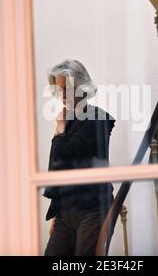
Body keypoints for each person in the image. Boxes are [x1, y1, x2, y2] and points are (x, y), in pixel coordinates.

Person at [43, 59, 115, 256]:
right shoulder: (69, 121)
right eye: (59, 90)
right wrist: (57, 214)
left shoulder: (97, 119)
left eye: (67, 88)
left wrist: (59, 129)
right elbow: (56, 171)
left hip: (91, 210)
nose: (62, 95)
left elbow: (58, 162)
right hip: (66, 212)